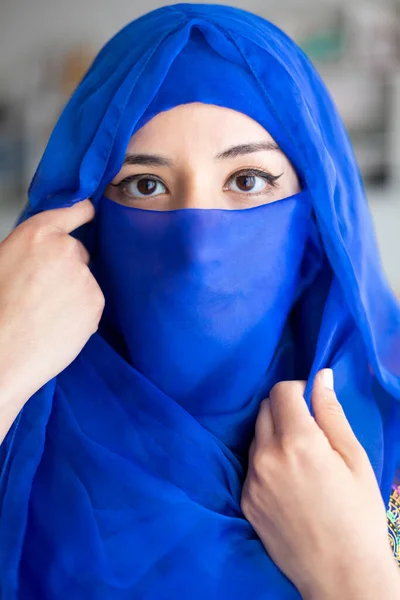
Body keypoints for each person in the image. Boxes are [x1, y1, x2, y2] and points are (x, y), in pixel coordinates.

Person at [0, 3, 400, 598]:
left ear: (314, 222)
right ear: (90, 225)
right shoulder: (21, 432)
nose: (197, 246)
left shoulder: (388, 436)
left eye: (247, 181)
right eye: (145, 184)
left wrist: (355, 572)